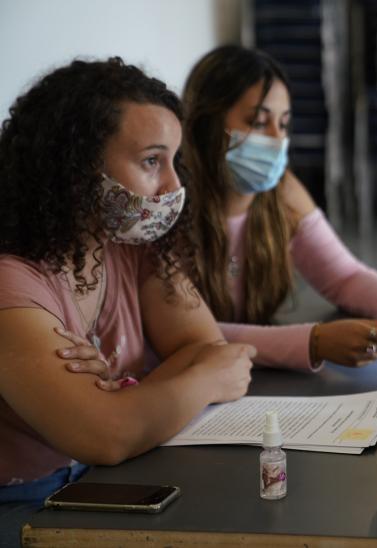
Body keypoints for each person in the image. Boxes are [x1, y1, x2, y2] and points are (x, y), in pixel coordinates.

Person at [0, 58, 256, 546]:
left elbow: (208, 348)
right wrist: (188, 388)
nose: (173, 187)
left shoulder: (130, 246)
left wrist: (125, 401)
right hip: (24, 505)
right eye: (151, 161)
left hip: (106, 481)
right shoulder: (10, 280)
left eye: (174, 162)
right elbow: (107, 436)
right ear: (75, 166)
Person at [180, 44, 377, 370]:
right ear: (206, 125)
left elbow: (344, 275)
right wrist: (314, 342)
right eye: (259, 123)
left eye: (284, 124)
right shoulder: (171, 204)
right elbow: (188, 335)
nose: (277, 139)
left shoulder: (282, 191)